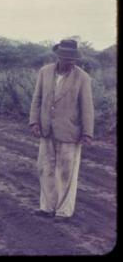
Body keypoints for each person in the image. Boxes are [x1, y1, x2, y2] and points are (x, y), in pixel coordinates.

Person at [29, 39, 94, 222]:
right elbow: (37, 98)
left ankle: (64, 211)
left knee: (66, 172)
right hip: (46, 129)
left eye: (72, 59)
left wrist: (87, 132)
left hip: (70, 131)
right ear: (58, 56)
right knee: (45, 169)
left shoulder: (83, 78)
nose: (69, 62)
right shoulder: (45, 72)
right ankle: (47, 207)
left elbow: (87, 107)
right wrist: (34, 122)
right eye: (65, 58)